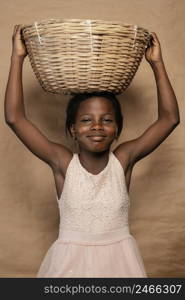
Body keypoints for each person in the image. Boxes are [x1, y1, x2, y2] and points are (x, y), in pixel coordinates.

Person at [4, 25, 180, 278]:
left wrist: (157, 64)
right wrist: (17, 57)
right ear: (73, 129)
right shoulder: (63, 163)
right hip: (69, 265)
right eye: (86, 120)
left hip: (121, 264)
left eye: (107, 120)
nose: (97, 126)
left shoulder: (123, 160)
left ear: (117, 129)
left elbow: (169, 119)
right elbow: (15, 118)